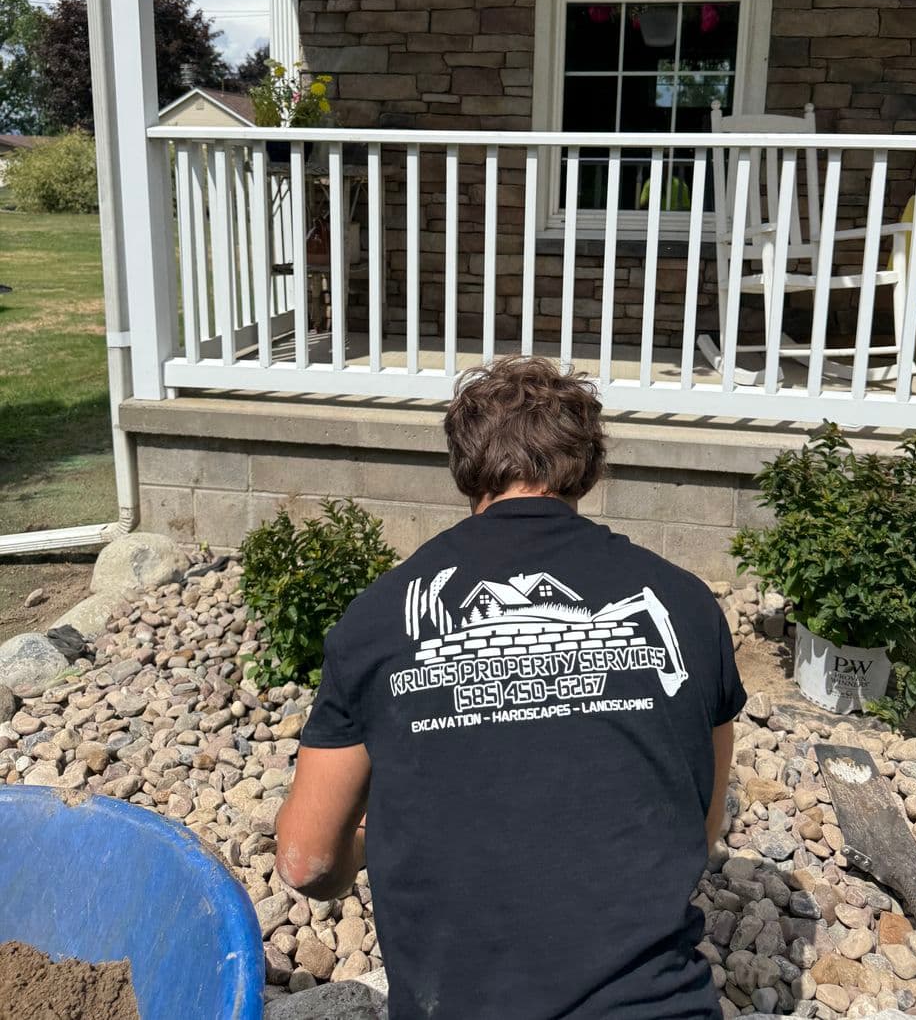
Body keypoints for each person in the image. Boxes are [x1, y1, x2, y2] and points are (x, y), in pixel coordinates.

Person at [276, 356, 746, 1020]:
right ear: (586, 466)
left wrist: (365, 845)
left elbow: (303, 860)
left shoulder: (380, 616)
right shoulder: (684, 605)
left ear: (466, 465)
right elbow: (700, 832)